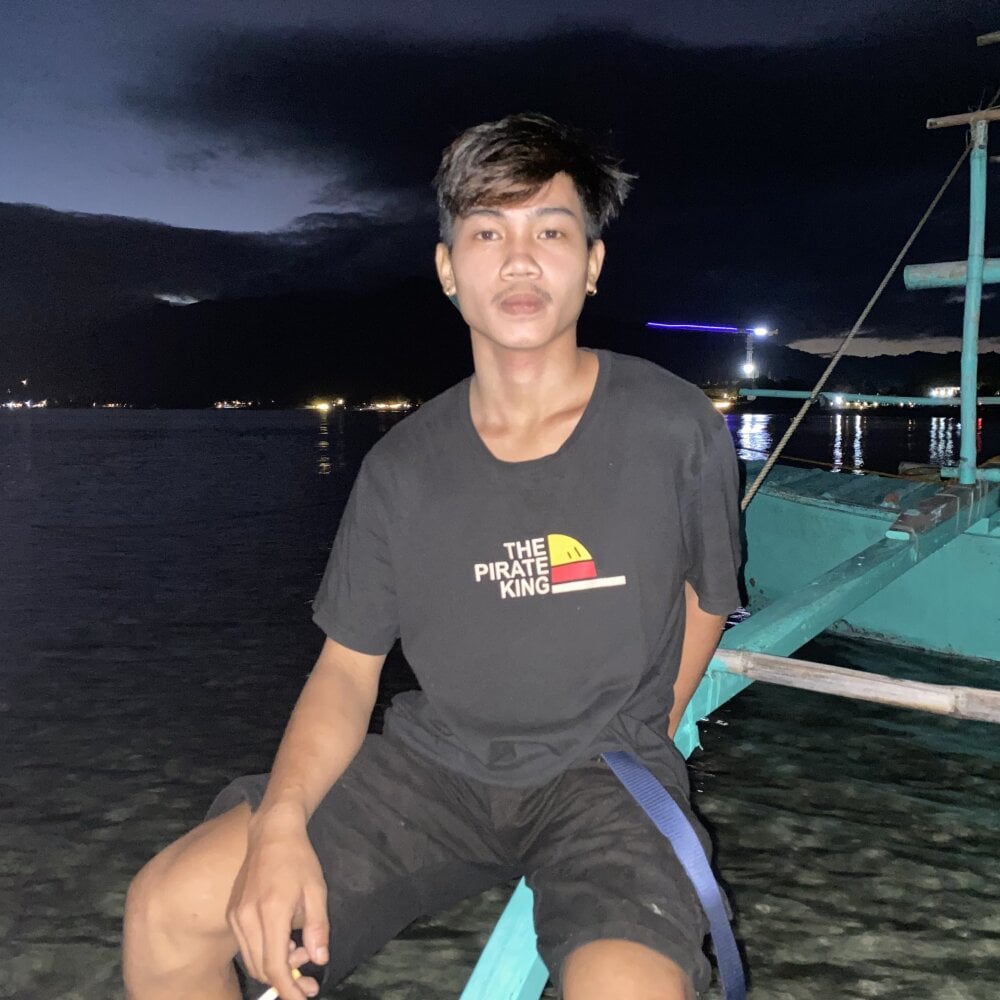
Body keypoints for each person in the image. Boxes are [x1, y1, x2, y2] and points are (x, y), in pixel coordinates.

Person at [123, 112, 742, 1000]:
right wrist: (281, 825)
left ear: (593, 263)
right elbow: (346, 671)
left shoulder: (675, 426)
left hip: (602, 779)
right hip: (434, 773)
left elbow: (707, 597)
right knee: (167, 909)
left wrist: (642, 733)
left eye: (551, 232)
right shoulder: (403, 467)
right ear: (449, 269)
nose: (520, 261)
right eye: (488, 233)